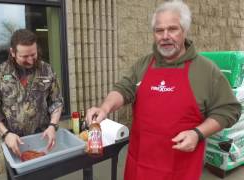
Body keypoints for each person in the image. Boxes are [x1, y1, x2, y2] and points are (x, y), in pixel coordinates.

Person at [86, 1, 241, 180]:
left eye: (172, 29)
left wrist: (198, 133)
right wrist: (104, 108)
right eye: (159, 30)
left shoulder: (205, 70)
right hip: (140, 166)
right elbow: (123, 89)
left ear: (184, 30)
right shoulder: (143, 64)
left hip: (180, 169)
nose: (165, 36)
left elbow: (229, 109)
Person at [0, 29, 63, 157]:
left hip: (42, 139)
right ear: (12, 52)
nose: (30, 60)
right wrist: (6, 134)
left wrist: (53, 125)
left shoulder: (47, 70)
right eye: (24, 56)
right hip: (14, 142)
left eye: (33, 54)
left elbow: (56, 101)